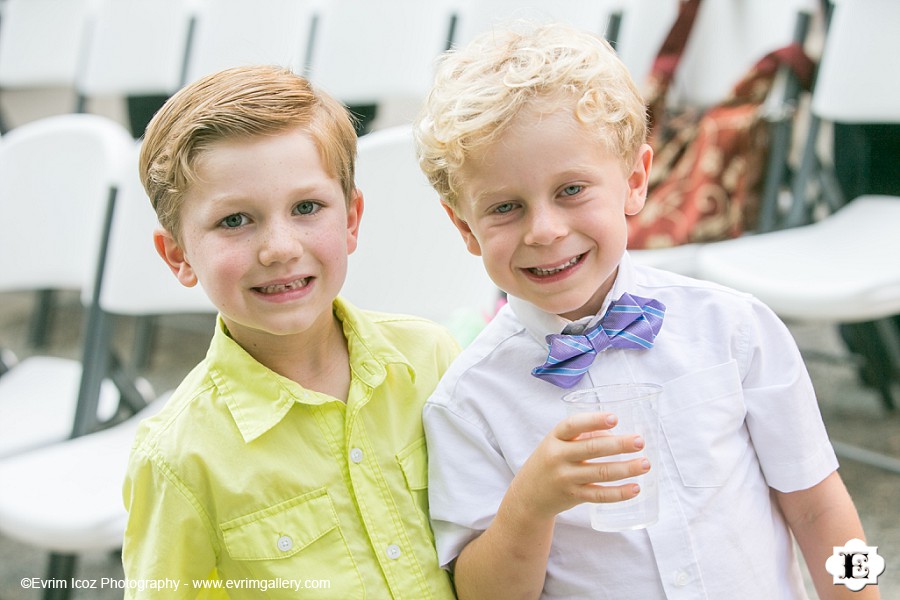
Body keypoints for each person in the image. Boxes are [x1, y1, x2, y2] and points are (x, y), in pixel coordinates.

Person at [414, 23, 877, 600]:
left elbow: (819, 506)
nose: (545, 230)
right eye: (505, 207)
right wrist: (530, 505)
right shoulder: (470, 402)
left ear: (635, 181)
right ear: (465, 227)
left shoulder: (734, 327)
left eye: (571, 190)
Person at [122, 65, 458, 599]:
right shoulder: (179, 459)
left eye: (306, 208)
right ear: (179, 256)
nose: (279, 248)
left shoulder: (431, 359)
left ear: (351, 219)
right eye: (234, 220)